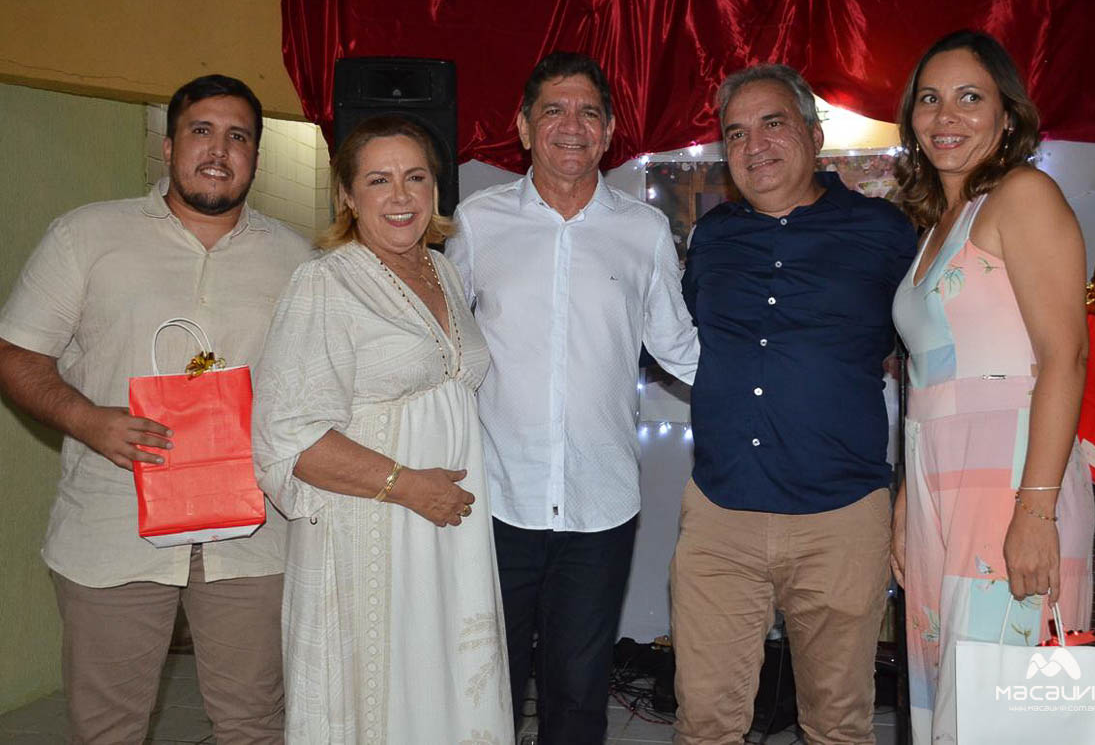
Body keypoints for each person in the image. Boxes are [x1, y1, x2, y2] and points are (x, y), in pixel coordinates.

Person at [0, 75, 312, 744]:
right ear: (169, 146)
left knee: (255, 724)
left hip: (253, 535)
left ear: (256, 157)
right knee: (108, 728)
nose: (219, 150)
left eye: (238, 137)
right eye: (201, 131)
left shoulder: (298, 260)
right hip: (113, 527)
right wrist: (90, 421)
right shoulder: (87, 236)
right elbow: (17, 356)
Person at [445, 51, 698, 743]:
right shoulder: (477, 221)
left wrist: (769, 391)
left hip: (601, 504)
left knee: (580, 695)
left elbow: (678, 345)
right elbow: (441, 342)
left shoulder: (642, 230)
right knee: (484, 690)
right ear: (524, 127)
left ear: (609, 130)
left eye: (588, 111)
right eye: (553, 109)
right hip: (495, 499)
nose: (571, 125)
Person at [671, 63, 917, 744]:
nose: (754, 145)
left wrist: (912, 493)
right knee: (704, 724)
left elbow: (925, 361)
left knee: (837, 724)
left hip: (841, 519)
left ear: (813, 135)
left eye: (772, 123)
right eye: (736, 133)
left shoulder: (883, 231)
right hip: (719, 517)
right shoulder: (713, 237)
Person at [251, 115, 511, 743]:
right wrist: (408, 486)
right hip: (372, 529)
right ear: (347, 195)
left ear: (435, 189)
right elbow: (288, 437)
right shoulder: (325, 282)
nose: (400, 196)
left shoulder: (445, 272)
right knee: (382, 698)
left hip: (447, 531)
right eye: (378, 180)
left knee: (445, 691)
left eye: (415, 178)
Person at [890, 29, 1093, 743]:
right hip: (937, 489)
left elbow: (1065, 357)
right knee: (954, 700)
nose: (945, 116)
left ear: (1006, 115)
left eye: (969, 97)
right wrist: (905, 500)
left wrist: (1036, 511)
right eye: (929, 99)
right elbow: (924, 383)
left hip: (1009, 483)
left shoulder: (1023, 195)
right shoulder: (936, 224)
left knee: (1005, 711)